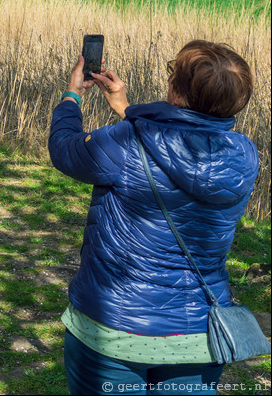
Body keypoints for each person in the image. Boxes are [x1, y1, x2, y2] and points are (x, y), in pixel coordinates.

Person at [49, 40, 259, 395]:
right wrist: (125, 108)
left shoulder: (126, 141)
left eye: (172, 71)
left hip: (114, 328)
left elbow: (65, 149)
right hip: (198, 334)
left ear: (176, 93)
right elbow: (183, 150)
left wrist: (72, 95)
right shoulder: (243, 157)